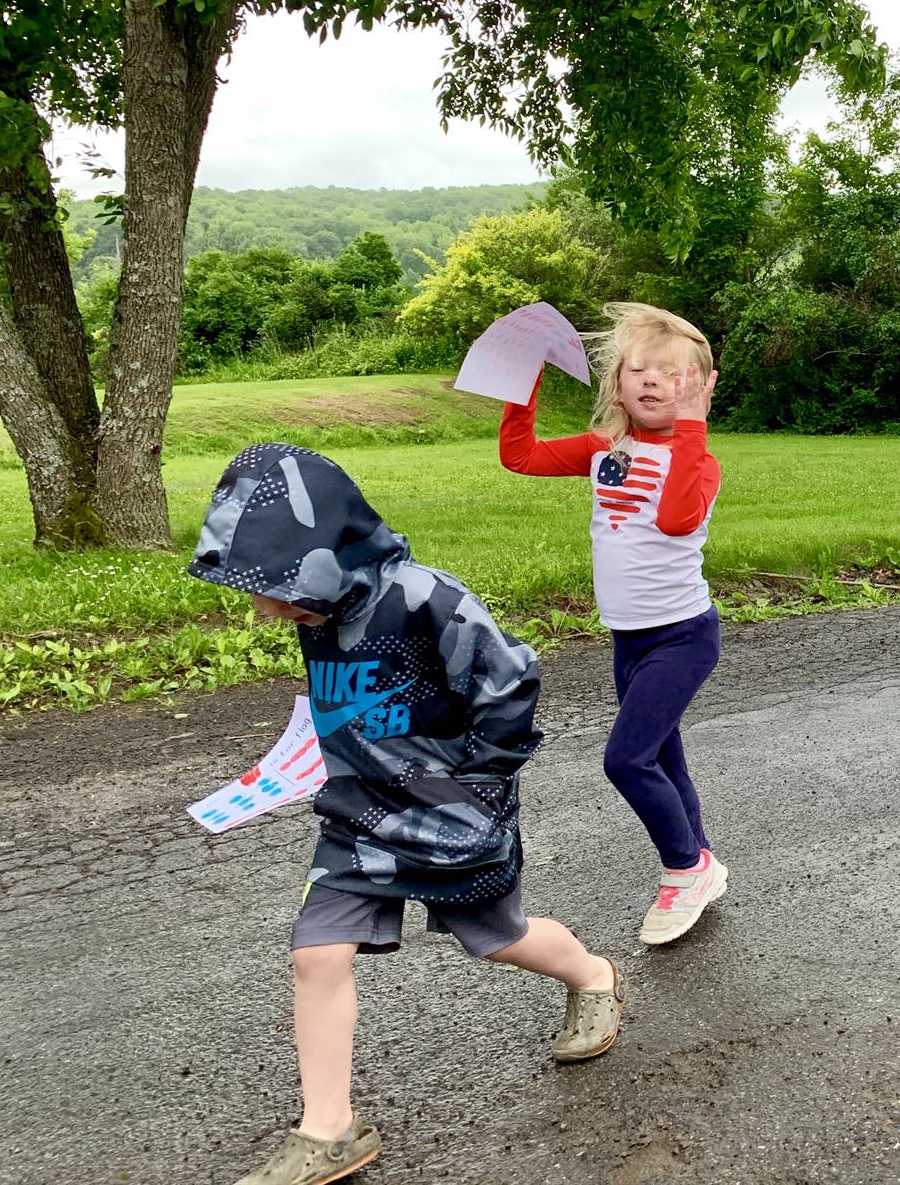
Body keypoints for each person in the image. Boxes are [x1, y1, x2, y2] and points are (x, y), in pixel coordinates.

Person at [190, 446, 625, 1185]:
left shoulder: (427, 599)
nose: (265, 610)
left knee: (498, 939)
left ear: (332, 554)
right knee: (317, 953)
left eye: (275, 589)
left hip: (453, 814)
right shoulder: (318, 605)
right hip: (356, 815)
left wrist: (480, 783)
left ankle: (593, 976)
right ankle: (328, 1130)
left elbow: (510, 682)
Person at [498, 303, 729, 944]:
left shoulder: (699, 460)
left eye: (673, 374)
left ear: (699, 387)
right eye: (638, 369)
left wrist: (693, 428)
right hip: (630, 638)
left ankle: (685, 868)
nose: (653, 381)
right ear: (617, 382)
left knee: (626, 760)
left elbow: (679, 518)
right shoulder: (607, 450)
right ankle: (701, 858)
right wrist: (526, 383)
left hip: (682, 636)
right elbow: (520, 457)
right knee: (658, 756)